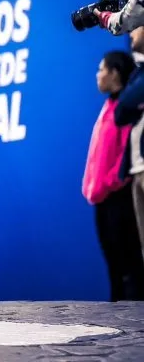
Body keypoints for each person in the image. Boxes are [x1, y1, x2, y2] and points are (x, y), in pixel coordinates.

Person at [83, 50, 144, 301]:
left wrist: (112, 182)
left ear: (115, 73)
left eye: (101, 69)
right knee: (114, 267)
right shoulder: (108, 106)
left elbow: (125, 151)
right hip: (102, 199)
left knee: (129, 266)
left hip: (119, 197)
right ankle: (116, 327)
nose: (98, 75)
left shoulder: (127, 108)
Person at [115, 27, 144, 262]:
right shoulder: (138, 72)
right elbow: (122, 111)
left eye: (136, 26)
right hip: (136, 169)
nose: (131, 33)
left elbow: (129, 100)